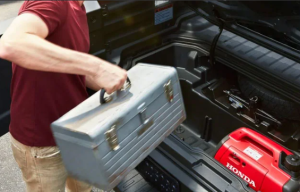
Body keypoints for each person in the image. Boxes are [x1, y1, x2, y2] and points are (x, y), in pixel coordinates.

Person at [0, 1, 127, 191]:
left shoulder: (79, 7)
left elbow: (68, 66)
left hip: (75, 130)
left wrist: (102, 79)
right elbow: (11, 44)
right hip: (42, 143)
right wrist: (97, 66)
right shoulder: (53, 2)